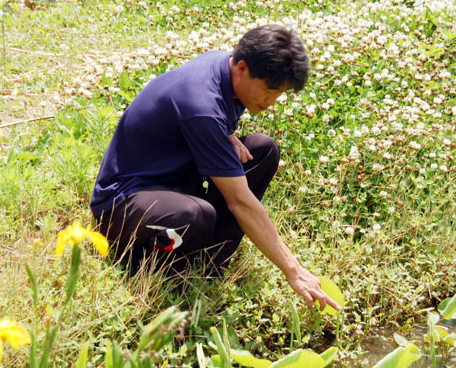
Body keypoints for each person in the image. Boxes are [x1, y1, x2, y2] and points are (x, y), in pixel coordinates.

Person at [90, 25, 341, 312]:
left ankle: (208, 262)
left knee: (263, 150)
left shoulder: (225, 66)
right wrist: (293, 270)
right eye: (270, 91)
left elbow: (198, 119)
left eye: (279, 94)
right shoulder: (202, 105)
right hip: (122, 206)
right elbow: (241, 203)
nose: (272, 103)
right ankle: (154, 271)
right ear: (244, 68)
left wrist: (224, 134)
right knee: (195, 215)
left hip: (172, 180)